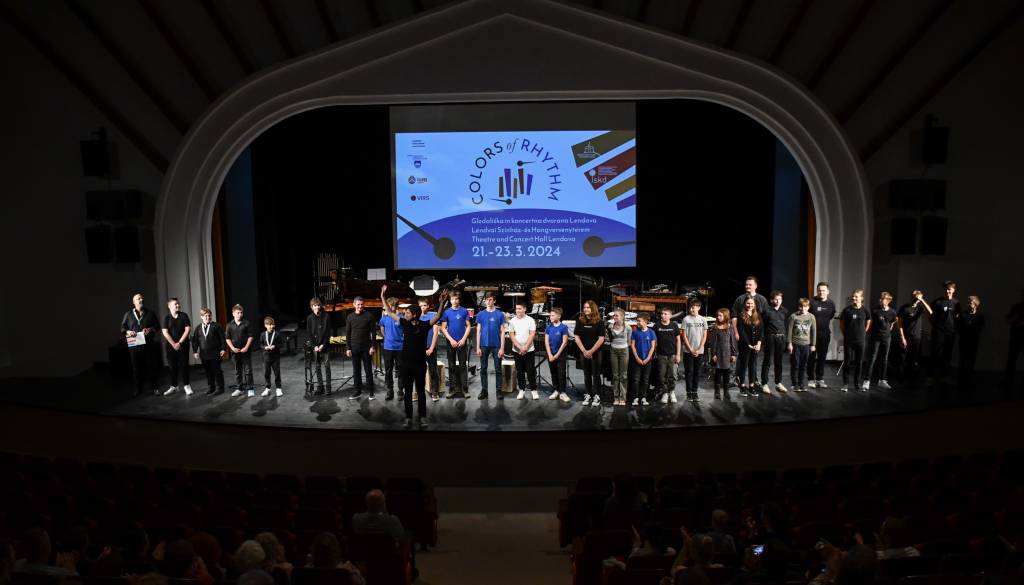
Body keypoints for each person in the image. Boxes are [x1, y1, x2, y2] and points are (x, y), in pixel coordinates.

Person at [380, 284, 447, 428]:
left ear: (414, 315)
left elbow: (438, 316)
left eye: (408, 313)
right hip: (406, 365)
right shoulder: (404, 323)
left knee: (421, 392)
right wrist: (382, 297)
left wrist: (442, 303)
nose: (405, 314)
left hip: (419, 365)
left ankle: (422, 417)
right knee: (408, 392)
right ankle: (408, 417)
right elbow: (389, 313)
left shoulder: (424, 325)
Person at [121, 292, 161, 396]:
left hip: (148, 344)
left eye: (142, 298)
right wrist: (128, 332)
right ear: (133, 302)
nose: (141, 300)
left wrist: (150, 329)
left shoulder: (150, 313)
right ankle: (138, 389)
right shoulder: (128, 314)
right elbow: (123, 328)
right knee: (136, 368)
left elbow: (157, 326)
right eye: (138, 299)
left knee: (151, 366)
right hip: (134, 344)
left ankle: (154, 388)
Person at [897, 290, 932, 387]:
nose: (915, 300)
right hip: (906, 337)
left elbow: (930, 312)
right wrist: (902, 337)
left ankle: (911, 380)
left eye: (917, 298)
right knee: (903, 359)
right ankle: (901, 379)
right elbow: (899, 323)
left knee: (913, 360)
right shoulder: (905, 308)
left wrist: (922, 300)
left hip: (916, 338)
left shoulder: (920, 308)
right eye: (914, 297)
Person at [475, 292, 506, 401]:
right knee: (483, 369)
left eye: (490, 299)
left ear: (494, 301)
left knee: (498, 369)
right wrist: (477, 347)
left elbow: (502, 332)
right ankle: (484, 390)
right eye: (487, 299)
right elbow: (478, 331)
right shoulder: (481, 314)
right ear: (485, 301)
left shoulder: (500, 314)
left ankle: (498, 390)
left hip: (496, 345)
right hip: (483, 345)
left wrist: (502, 348)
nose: (488, 301)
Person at [440, 291, 471, 399]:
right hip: (451, 343)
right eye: (452, 299)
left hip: (462, 342)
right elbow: (443, 328)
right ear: (450, 300)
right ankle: (452, 389)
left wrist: (463, 339)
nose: (455, 301)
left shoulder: (464, 311)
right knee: (451, 366)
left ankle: (464, 389)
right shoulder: (446, 312)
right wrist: (451, 340)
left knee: (463, 366)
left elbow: (468, 326)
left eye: (456, 299)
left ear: (459, 300)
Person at [839, 289, 871, 392]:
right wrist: (845, 334)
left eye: (856, 296)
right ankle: (845, 384)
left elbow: (869, 321)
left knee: (859, 363)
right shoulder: (847, 310)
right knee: (847, 362)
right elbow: (841, 323)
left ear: (861, 298)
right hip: (849, 340)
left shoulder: (865, 310)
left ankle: (857, 384)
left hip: (860, 341)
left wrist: (864, 332)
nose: (854, 298)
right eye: (853, 296)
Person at [575, 300, 606, 406]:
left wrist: (591, 351)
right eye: (584, 307)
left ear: (593, 309)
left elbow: (601, 339)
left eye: (588, 307)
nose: (586, 309)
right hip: (583, 352)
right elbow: (576, 337)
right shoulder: (580, 321)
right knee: (586, 374)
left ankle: (597, 395)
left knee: (596, 374)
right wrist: (584, 351)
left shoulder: (600, 322)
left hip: (596, 352)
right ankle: (588, 394)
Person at [344, 296, 375, 400]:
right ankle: (358, 392)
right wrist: (348, 348)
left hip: (366, 348)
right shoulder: (350, 317)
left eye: (362, 304)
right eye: (358, 304)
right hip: (354, 348)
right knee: (356, 371)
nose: (360, 306)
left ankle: (371, 392)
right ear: (354, 305)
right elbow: (348, 334)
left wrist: (373, 346)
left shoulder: (369, 316)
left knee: (368, 370)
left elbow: (373, 333)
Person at [930, 280, 962, 381]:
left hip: (950, 333)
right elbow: (930, 315)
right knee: (935, 353)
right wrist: (935, 326)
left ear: (953, 290)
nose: (948, 291)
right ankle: (931, 376)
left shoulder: (957, 303)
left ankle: (945, 376)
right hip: (939, 332)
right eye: (946, 289)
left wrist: (955, 329)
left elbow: (958, 317)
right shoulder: (938, 301)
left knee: (947, 354)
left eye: (949, 289)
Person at [865, 292, 897, 389]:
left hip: (886, 338)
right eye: (881, 298)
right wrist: (868, 333)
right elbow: (870, 322)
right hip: (876, 337)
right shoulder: (875, 310)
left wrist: (889, 329)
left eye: (883, 299)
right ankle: (867, 380)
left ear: (888, 300)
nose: (881, 300)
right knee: (872, 358)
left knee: (884, 359)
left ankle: (882, 380)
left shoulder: (892, 312)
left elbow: (893, 321)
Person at [808, 282, 837, 389]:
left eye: (823, 290)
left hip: (825, 335)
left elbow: (831, 316)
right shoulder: (812, 302)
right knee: (811, 358)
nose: (821, 292)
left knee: (822, 357)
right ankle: (810, 379)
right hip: (812, 335)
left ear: (828, 292)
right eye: (819, 290)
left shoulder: (831, 304)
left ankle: (820, 379)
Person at [161, 298, 193, 396]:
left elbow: (188, 329)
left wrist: (179, 343)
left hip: (183, 345)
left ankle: (187, 385)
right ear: (169, 306)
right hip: (171, 346)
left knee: (184, 365)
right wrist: (173, 344)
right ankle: (174, 386)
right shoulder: (166, 318)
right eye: (175, 304)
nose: (178, 305)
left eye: (178, 304)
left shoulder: (184, 315)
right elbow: (165, 332)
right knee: (172, 366)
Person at [191, 308, 226, 396]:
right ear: (201, 317)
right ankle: (211, 387)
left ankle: (220, 388)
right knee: (208, 371)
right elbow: (195, 340)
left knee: (217, 370)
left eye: (209, 315)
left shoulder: (216, 326)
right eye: (205, 316)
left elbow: (222, 338)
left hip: (215, 353)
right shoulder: (198, 328)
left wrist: (223, 349)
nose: (208, 317)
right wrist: (195, 351)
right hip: (204, 354)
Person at [760, 291, 789, 394]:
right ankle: (764, 383)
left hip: (781, 338)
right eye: (776, 299)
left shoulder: (784, 311)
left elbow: (785, 325)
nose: (778, 301)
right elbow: (762, 326)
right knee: (767, 361)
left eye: (779, 299)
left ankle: (778, 383)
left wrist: (786, 338)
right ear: (771, 300)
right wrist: (762, 339)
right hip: (770, 337)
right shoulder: (766, 311)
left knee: (779, 361)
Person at [508, 301, 538, 399]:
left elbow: (532, 334)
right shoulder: (512, 321)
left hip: (529, 350)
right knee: (520, 371)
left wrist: (525, 347)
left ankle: (533, 390)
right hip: (517, 350)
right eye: (517, 309)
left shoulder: (530, 320)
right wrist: (520, 347)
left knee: (530, 371)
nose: (518, 311)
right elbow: (511, 335)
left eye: (520, 309)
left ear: (524, 309)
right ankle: (522, 390)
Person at [786, 298, 816, 392]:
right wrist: (789, 343)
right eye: (801, 306)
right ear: (798, 307)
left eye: (805, 306)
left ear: (808, 307)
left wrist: (813, 344)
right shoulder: (793, 316)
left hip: (806, 345)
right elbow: (789, 331)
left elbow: (813, 331)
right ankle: (794, 383)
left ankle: (801, 383)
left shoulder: (811, 317)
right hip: (796, 344)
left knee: (803, 365)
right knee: (795, 364)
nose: (803, 308)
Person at [681, 301, 708, 402]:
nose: (692, 309)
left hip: (699, 351)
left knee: (697, 372)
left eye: (694, 307)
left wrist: (699, 349)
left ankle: (695, 392)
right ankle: (689, 393)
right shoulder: (686, 319)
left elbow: (704, 336)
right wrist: (691, 349)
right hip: (688, 351)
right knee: (689, 372)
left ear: (699, 308)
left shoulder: (703, 319)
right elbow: (684, 336)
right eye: (691, 307)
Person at [653, 307, 681, 404]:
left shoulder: (674, 325)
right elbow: (654, 341)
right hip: (661, 355)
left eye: (665, 314)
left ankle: (672, 392)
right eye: (662, 314)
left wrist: (678, 354)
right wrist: (654, 353)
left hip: (672, 354)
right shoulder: (657, 325)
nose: (663, 315)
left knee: (673, 375)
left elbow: (678, 340)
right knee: (662, 376)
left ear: (670, 315)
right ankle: (665, 393)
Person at [736, 298, 763, 396]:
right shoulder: (741, 315)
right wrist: (748, 344)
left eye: (752, 303)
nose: (750, 305)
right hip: (745, 345)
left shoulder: (757, 315)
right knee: (744, 365)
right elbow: (741, 331)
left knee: (753, 366)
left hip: (755, 345)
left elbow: (761, 330)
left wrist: (759, 343)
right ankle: (742, 386)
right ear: (745, 304)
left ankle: (751, 386)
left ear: (754, 304)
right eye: (748, 303)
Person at [379, 296, 404, 401]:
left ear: (396, 306)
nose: (391, 308)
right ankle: (390, 390)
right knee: (388, 370)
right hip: (388, 347)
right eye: (389, 306)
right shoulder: (384, 317)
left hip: (400, 348)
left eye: (393, 305)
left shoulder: (401, 317)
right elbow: (382, 328)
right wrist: (386, 338)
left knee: (401, 370)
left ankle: (400, 391)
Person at [226, 304, 254, 397]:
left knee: (248, 370)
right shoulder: (229, 325)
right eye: (238, 313)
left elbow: (250, 336)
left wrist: (246, 347)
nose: (240, 314)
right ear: (233, 313)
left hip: (245, 351)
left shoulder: (246, 323)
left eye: (241, 313)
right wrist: (232, 348)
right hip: (235, 352)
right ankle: (239, 389)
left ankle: (250, 388)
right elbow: (227, 338)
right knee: (237, 371)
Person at [957, 295, 985, 388]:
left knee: (971, 362)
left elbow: (980, 328)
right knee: (962, 361)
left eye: (971, 303)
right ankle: (960, 382)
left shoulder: (980, 316)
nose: (969, 304)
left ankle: (969, 381)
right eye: (968, 303)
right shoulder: (963, 314)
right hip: (963, 342)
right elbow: (958, 327)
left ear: (976, 304)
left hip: (973, 342)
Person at [306, 297, 332, 396]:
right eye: (314, 306)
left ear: (320, 306)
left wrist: (323, 344)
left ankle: (328, 388)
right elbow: (309, 334)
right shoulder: (309, 318)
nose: (317, 307)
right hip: (316, 347)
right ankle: (320, 387)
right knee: (317, 367)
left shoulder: (326, 316)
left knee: (327, 366)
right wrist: (314, 346)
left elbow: (328, 333)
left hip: (325, 345)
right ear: (311, 307)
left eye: (318, 305)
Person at [630, 312, 657, 406]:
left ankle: (644, 397)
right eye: (637, 321)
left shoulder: (651, 332)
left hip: (647, 360)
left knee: (645, 379)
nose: (637, 322)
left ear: (645, 321)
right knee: (636, 379)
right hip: (637, 360)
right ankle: (635, 397)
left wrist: (648, 358)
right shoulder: (635, 332)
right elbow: (632, 346)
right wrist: (637, 358)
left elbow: (653, 347)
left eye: (639, 321)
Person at [606, 308, 632, 406]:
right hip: (613, 350)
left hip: (624, 351)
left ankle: (623, 398)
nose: (615, 317)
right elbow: (609, 338)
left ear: (622, 317)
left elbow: (629, 342)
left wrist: (622, 347)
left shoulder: (628, 327)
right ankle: (616, 397)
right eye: (614, 315)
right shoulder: (610, 326)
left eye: (617, 315)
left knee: (623, 376)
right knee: (615, 375)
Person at [709, 309, 736, 400]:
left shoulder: (730, 327)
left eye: (720, 315)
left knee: (726, 374)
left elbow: (732, 341)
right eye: (718, 315)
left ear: (726, 316)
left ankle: (726, 392)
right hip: (718, 353)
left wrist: (733, 354)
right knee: (718, 373)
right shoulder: (716, 327)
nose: (718, 317)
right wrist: (713, 354)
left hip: (727, 353)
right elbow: (713, 343)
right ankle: (717, 392)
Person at [419, 297, 442, 401]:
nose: (422, 308)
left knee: (433, 371)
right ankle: (418, 391)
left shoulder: (433, 316)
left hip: (430, 348)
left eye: (424, 305)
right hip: (419, 349)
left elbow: (435, 333)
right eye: (420, 306)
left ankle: (435, 391)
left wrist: (431, 348)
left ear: (428, 306)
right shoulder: (416, 316)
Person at [545, 307, 571, 403]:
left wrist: (556, 355)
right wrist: (550, 354)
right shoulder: (549, 327)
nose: (550, 317)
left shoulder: (563, 327)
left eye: (553, 315)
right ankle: (556, 390)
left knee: (561, 373)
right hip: (550, 353)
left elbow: (564, 342)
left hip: (560, 354)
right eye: (550, 315)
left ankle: (562, 392)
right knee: (553, 372)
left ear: (559, 316)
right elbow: (546, 342)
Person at [1002, 292, 1024, 390]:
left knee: (1011, 360)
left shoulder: (1017, 306)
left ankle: (1007, 382)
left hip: (1016, 338)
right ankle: (1007, 381)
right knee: (1011, 360)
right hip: (1015, 338)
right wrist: (1014, 320)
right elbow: (1007, 319)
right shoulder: (1017, 307)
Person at [259, 317, 282, 398]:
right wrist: (265, 347)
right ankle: (267, 388)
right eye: (269, 325)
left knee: (277, 373)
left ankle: (278, 388)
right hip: (266, 357)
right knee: (266, 373)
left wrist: (275, 346)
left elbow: (281, 344)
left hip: (275, 357)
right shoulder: (262, 334)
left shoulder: (277, 334)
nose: (271, 326)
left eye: (272, 324)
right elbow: (260, 344)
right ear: (265, 325)